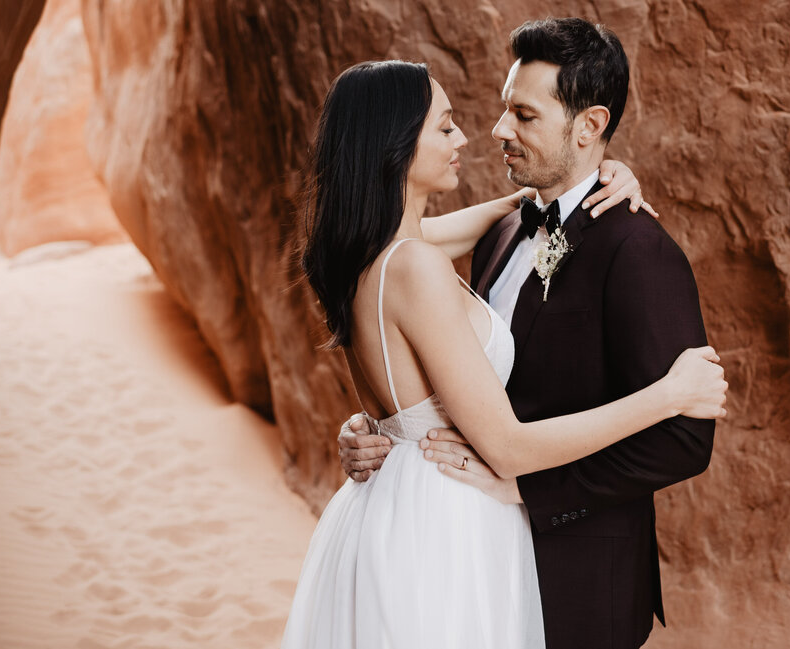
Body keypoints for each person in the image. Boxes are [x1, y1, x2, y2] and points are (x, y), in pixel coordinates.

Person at [282, 57, 727, 649]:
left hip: (407, 506)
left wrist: (597, 177)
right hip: (449, 516)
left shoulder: (372, 247)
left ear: (587, 124)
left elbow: (516, 218)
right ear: (394, 146)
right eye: (444, 127)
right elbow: (508, 445)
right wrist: (669, 394)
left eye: (522, 113)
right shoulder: (414, 264)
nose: (476, 133)